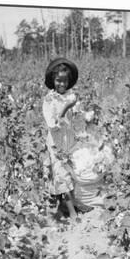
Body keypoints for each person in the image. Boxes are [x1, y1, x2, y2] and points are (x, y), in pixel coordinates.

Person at [42, 58, 80, 220]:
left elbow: (77, 117)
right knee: (61, 173)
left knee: (69, 173)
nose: (62, 84)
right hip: (56, 143)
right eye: (58, 80)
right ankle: (72, 213)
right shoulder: (49, 100)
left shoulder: (72, 96)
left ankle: (60, 207)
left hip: (70, 141)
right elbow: (52, 124)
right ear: (52, 80)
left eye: (65, 81)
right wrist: (65, 109)